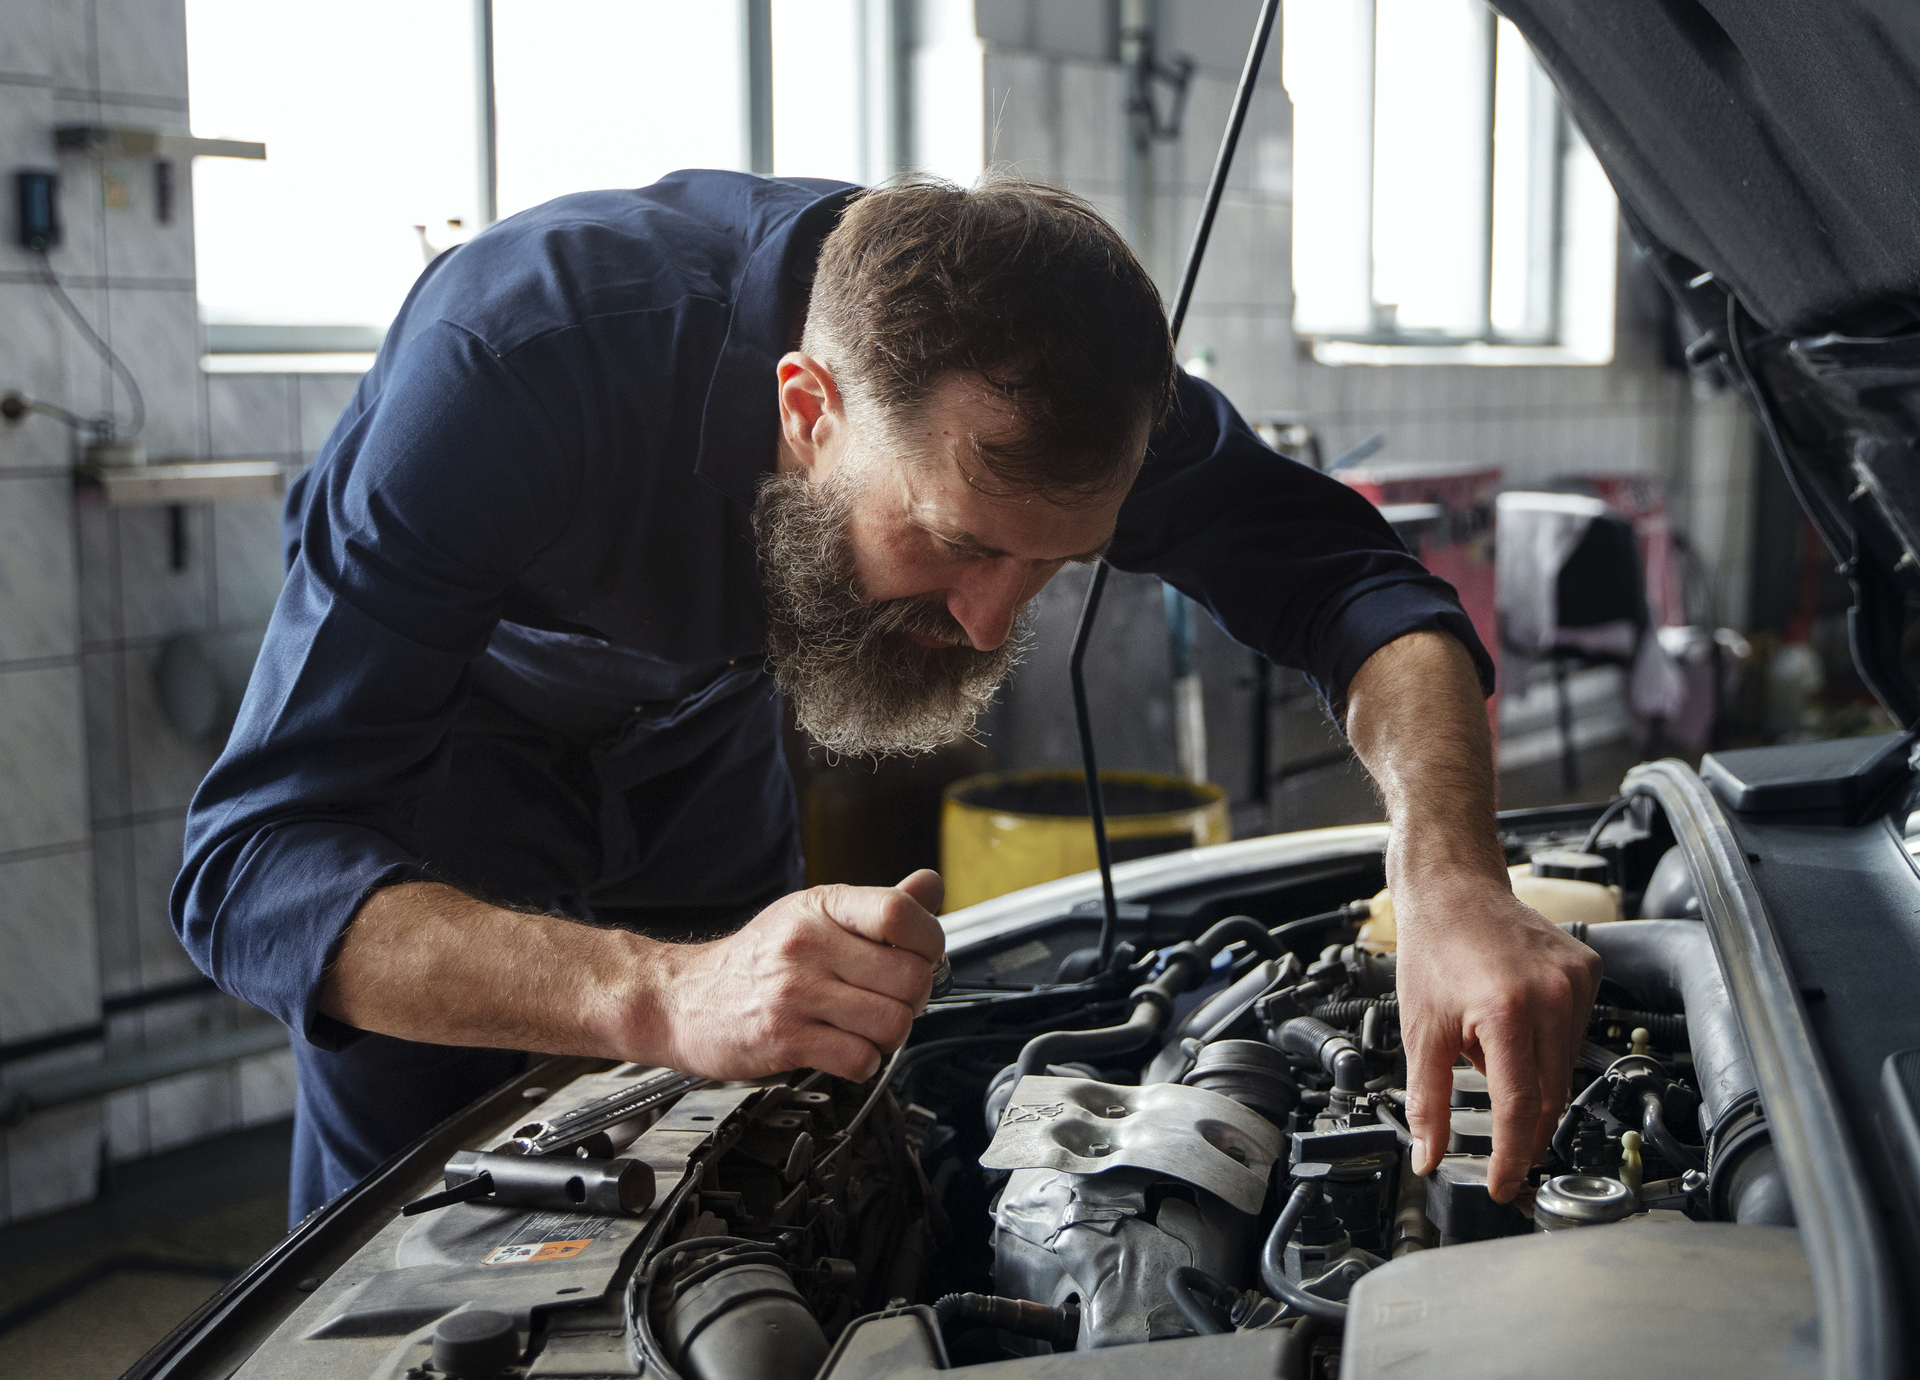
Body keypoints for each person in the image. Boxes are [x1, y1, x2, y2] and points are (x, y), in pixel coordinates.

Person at [175, 171, 1599, 1223]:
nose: (992, 621)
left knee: (742, 1196)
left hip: (699, 753)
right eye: (962, 544)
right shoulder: (517, 362)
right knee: (446, 1252)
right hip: (448, 774)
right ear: (810, 411)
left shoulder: (1055, 384)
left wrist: (1452, 877)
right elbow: (254, 870)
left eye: (1057, 565)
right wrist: (662, 990)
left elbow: (1361, 587)